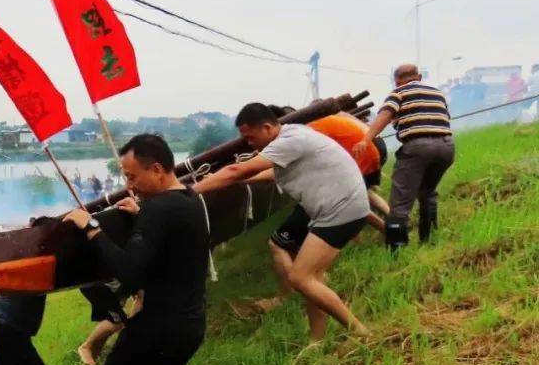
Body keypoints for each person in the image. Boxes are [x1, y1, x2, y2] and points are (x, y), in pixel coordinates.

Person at [63, 134, 209, 365]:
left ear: (157, 169)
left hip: (162, 323)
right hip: (189, 320)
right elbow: (168, 242)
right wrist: (142, 216)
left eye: (132, 177)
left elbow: (128, 272)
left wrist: (92, 227)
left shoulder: (157, 210)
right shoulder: (187, 199)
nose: (128, 185)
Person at [192, 103, 372, 341]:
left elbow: (237, 170)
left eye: (250, 136)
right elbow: (267, 174)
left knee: (301, 277)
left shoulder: (289, 141)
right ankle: (317, 339)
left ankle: (362, 333)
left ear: (267, 127)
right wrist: (226, 181)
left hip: (341, 210)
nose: (248, 143)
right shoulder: (292, 135)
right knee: (312, 279)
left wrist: (190, 191)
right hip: (340, 207)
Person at [353, 64, 455, 250]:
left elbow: (384, 115)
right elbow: (441, 117)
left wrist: (366, 140)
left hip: (418, 148)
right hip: (446, 147)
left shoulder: (398, 92)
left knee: (399, 204)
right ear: (419, 76)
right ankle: (429, 242)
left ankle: (396, 251)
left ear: (397, 80)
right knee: (427, 193)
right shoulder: (437, 93)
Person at [270, 105, 390, 231]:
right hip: (370, 148)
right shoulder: (317, 123)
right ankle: (394, 221)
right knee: (363, 195)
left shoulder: (303, 132)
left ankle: (388, 231)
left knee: (346, 201)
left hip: (362, 153)